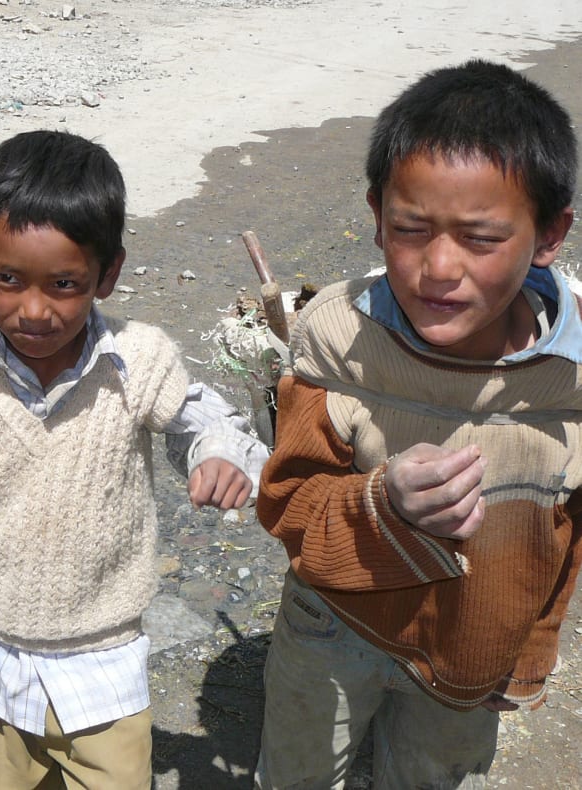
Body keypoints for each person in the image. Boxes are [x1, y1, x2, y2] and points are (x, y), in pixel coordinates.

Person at [0, 129, 269, 789]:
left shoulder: (138, 360)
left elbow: (205, 419)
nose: (34, 310)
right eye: (8, 280)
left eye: (64, 284)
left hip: (100, 666)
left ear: (108, 274)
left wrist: (220, 454)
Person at [253, 59, 582, 789]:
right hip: (336, 626)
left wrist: (529, 650)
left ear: (550, 235)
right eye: (410, 229)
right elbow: (289, 502)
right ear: (376, 216)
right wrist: (381, 504)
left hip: (474, 644)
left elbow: (566, 535)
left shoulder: (572, 379)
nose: (438, 267)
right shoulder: (337, 338)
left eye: (480, 238)